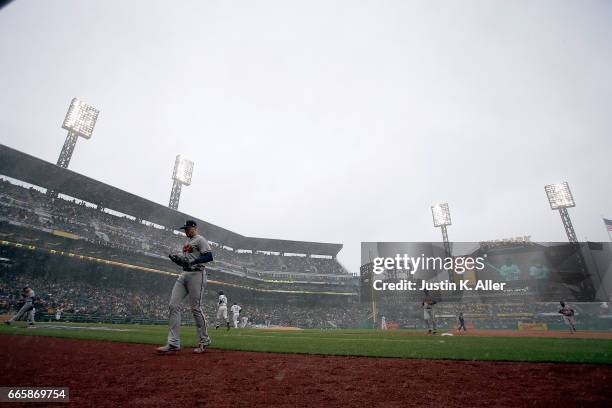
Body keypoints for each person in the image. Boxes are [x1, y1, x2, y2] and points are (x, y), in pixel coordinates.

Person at [157, 220, 214, 354]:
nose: (186, 231)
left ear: (194, 228)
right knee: (173, 305)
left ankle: (204, 340)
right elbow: (186, 260)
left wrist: (193, 260)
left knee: (195, 308)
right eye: (185, 229)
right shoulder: (187, 243)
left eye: (187, 228)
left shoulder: (200, 240)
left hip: (197, 274)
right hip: (184, 274)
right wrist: (178, 259)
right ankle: (173, 343)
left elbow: (209, 256)